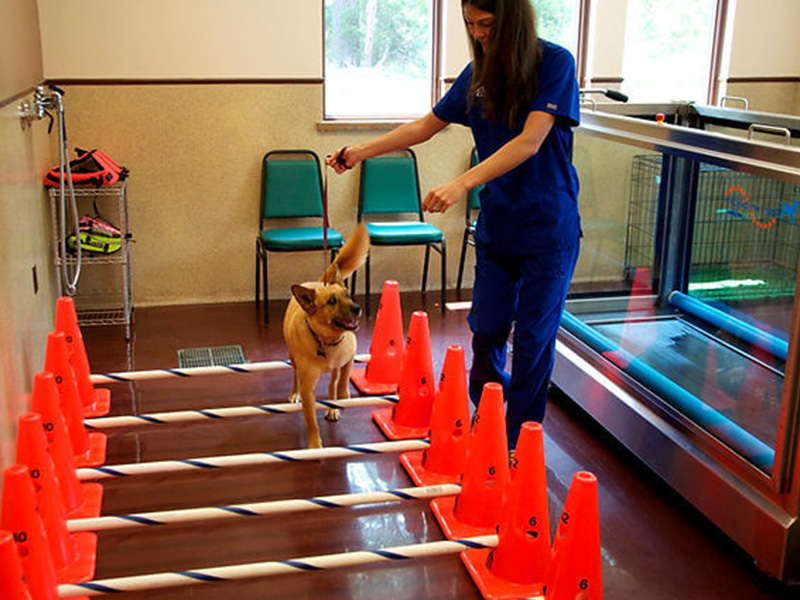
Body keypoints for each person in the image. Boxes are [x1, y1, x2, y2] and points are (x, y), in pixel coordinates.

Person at [327, 0, 581, 451]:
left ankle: (517, 444)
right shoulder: (477, 76)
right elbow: (427, 125)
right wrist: (360, 151)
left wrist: (461, 183)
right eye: (471, 25)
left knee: (534, 342)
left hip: (548, 228)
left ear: (513, 20)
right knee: (486, 330)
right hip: (499, 227)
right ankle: (483, 423)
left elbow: (530, 141)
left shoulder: (554, 63)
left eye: (487, 24)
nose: (479, 34)